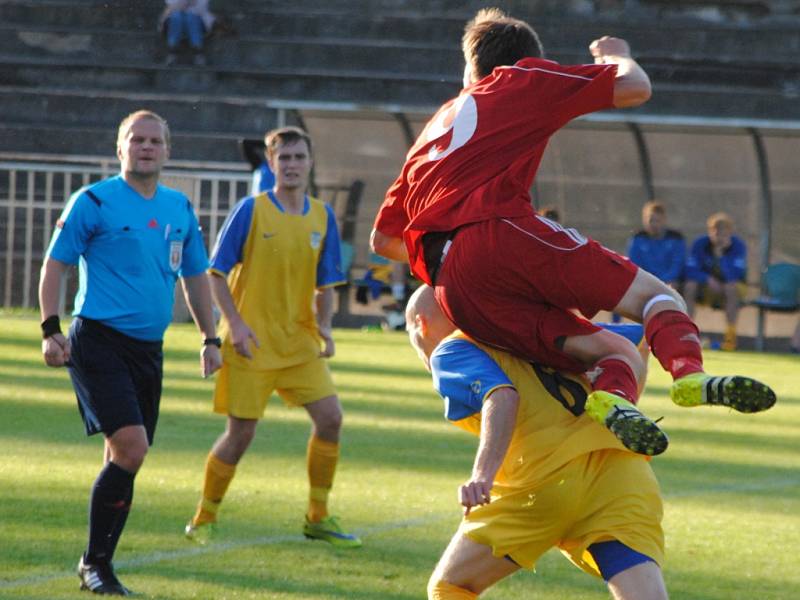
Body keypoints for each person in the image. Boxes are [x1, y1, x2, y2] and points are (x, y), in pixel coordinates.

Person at [370, 8, 775, 452]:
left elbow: (384, 241)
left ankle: (613, 400)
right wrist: (616, 55)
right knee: (659, 298)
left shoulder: (433, 130)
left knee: (612, 352)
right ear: (521, 61)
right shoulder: (519, 79)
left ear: (469, 67)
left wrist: (456, 269)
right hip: (501, 234)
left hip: (455, 286)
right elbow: (635, 88)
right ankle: (689, 376)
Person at [38, 110, 222, 596]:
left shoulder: (179, 208)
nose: (145, 147)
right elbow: (55, 265)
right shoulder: (93, 201)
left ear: (167, 150)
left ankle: (98, 564)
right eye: (136, 139)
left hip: (148, 349)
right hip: (97, 341)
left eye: (154, 140)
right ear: (120, 148)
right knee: (133, 449)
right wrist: (50, 328)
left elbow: (196, 278)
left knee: (123, 454)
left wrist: (210, 338)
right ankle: (95, 564)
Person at [405, 286, 668, 600]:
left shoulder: (452, 350)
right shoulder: (535, 327)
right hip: (622, 474)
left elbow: (502, 398)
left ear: (420, 324)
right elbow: (637, 340)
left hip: (544, 482)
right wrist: (620, 395)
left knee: (450, 587)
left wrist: (482, 477)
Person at [184, 126, 361, 548]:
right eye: (284, 159)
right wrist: (236, 324)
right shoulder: (251, 210)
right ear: (271, 163)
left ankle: (317, 517)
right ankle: (204, 518)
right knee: (241, 433)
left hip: (298, 342)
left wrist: (326, 328)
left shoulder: (323, 216)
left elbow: (325, 284)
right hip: (251, 342)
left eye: (299, 157)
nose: (293, 165)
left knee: (331, 419)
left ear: (310, 162)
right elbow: (216, 275)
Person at [683, 212, 747, 351]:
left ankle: (730, 337)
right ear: (710, 231)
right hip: (708, 288)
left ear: (730, 232)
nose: (718, 236)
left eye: (723, 233)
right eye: (715, 232)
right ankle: (687, 333)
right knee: (690, 285)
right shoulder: (700, 244)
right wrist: (707, 279)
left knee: (731, 287)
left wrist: (722, 255)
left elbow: (734, 275)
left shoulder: (738, 246)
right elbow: (690, 270)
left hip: (733, 289)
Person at [626, 200, 686, 289]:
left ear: (664, 220)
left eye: (657, 221)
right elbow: (634, 264)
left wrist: (665, 281)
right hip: (645, 282)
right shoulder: (637, 238)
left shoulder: (676, 238)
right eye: (651, 220)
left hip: (670, 283)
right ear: (644, 220)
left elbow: (677, 264)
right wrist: (650, 282)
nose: (654, 224)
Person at [159, 0, 215, 66]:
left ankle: (198, 51)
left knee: (191, 17)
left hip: (197, 21)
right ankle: (172, 51)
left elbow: (202, 10)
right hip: (175, 22)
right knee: (177, 17)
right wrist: (181, 4)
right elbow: (170, 9)